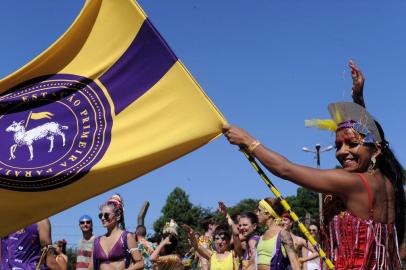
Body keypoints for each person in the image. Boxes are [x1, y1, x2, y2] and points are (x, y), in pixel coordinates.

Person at [223, 61, 405, 269]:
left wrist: (248, 141)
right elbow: (372, 138)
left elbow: (286, 169)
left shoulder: (353, 182)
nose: (342, 152)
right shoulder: (387, 182)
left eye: (352, 144)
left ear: (377, 150)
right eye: (338, 145)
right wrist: (359, 101)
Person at [89, 194, 144, 270]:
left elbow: (140, 263)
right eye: (100, 215)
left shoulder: (126, 237)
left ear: (117, 215)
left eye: (106, 215)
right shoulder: (96, 242)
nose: (102, 218)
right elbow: (91, 268)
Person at [255, 198, 300, 270]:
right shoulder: (261, 236)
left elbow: (295, 264)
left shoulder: (283, 234)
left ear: (268, 213)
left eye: (259, 210)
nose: (257, 214)